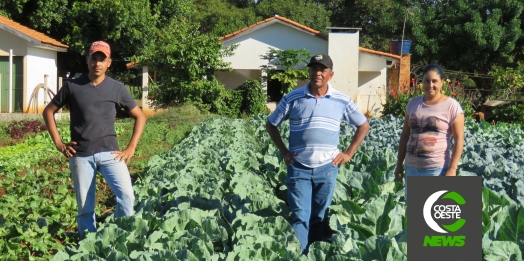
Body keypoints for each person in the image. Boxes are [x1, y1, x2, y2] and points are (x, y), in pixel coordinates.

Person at [265, 54, 370, 254]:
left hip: (327, 169)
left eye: (322, 70)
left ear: (331, 74)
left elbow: (363, 125)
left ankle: (314, 253)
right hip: (299, 168)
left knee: (319, 217)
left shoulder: (342, 100)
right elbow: (271, 124)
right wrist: (283, 151)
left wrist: (348, 153)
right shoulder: (293, 98)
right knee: (300, 216)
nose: (317, 73)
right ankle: (300, 256)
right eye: (314, 69)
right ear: (309, 72)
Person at [43, 41, 146, 238]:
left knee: (126, 196)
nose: (97, 63)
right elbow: (49, 111)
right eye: (94, 58)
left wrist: (131, 147)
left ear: (109, 63)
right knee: (84, 207)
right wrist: (58, 143)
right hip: (81, 155)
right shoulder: (72, 86)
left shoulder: (117, 88)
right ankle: (88, 246)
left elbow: (140, 116)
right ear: (87, 60)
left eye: (102, 59)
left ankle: (119, 238)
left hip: (110, 153)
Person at [394, 64, 465, 202]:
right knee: (414, 216)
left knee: (432, 216)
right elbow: (405, 135)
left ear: (442, 82)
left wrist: (452, 168)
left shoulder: (452, 106)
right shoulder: (413, 103)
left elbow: (459, 139)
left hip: (436, 169)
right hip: (412, 168)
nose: (430, 85)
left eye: (434, 81)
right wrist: (399, 164)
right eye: (426, 81)